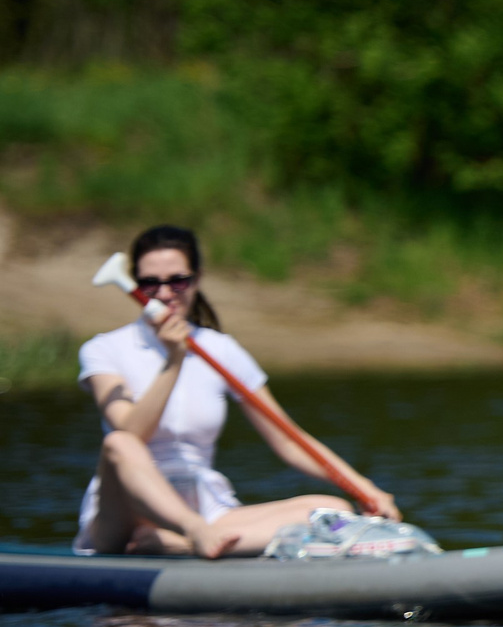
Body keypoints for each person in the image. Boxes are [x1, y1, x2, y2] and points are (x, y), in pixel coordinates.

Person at [75, 224, 398, 557]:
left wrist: (366, 489)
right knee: (118, 443)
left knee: (332, 509)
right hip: (127, 513)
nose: (164, 293)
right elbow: (132, 432)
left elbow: (288, 439)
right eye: (150, 283)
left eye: (178, 281)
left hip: (209, 508)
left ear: (197, 280)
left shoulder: (221, 349)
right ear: (135, 285)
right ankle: (193, 534)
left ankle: (183, 545)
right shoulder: (104, 349)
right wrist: (174, 361)